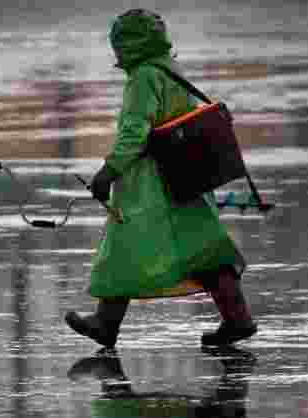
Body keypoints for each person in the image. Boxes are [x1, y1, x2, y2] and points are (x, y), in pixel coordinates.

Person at [65, 9, 257, 348]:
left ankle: (106, 323)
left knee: (123, 245)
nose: (117, 54)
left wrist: (107, 172)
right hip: (186, 175)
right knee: (205, 249)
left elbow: (134, 133)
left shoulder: (142, 78)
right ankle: (237, 319)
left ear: (134, 45)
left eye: (120, 46)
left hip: (153, 184)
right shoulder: (169, 69)